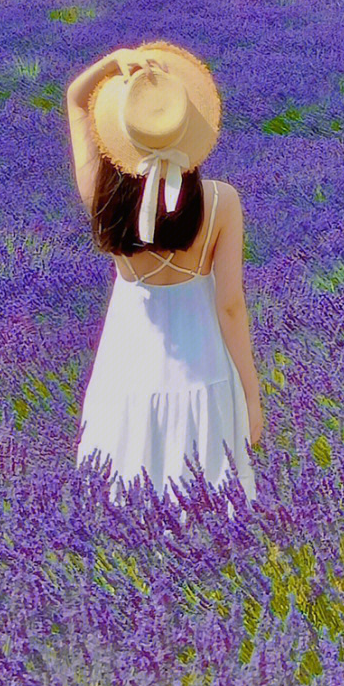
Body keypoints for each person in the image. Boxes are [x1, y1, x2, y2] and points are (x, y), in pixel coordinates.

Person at [68, 39, 262, 517]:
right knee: (210, 499)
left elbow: (75, 100)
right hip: (203, 364)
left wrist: (112, 64)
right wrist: (251, 398)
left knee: (121, 490)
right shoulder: (221, 202)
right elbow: (231, 305)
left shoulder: (103, 197)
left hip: (126, 358)